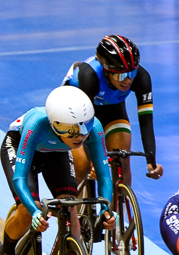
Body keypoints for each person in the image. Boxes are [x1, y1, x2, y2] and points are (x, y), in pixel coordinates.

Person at [0, 86, 114, 255]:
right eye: (73, 130)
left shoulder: (92, 129)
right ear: (56, 124)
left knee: (70, 208)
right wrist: (34, 211)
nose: (81, 136)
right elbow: (20, 178)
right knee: (25, 210)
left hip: (56, 153)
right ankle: (6, 254)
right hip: (22, 148)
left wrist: (106, 209)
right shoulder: (36, 124)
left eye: (85, 126)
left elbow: (105, 176)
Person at [64, 34, 164, 184]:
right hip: (77, 113)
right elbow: (85, 122)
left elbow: (146, 121)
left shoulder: (141, 78)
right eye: (121, 76)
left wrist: (151, 160)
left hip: (112, 110)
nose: (128, 80)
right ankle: (71, 204)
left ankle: (116, 206)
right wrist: (93, 161)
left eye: (131, 73)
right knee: (83, 166)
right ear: (106, 71)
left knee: (122, 161)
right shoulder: (89, 75)